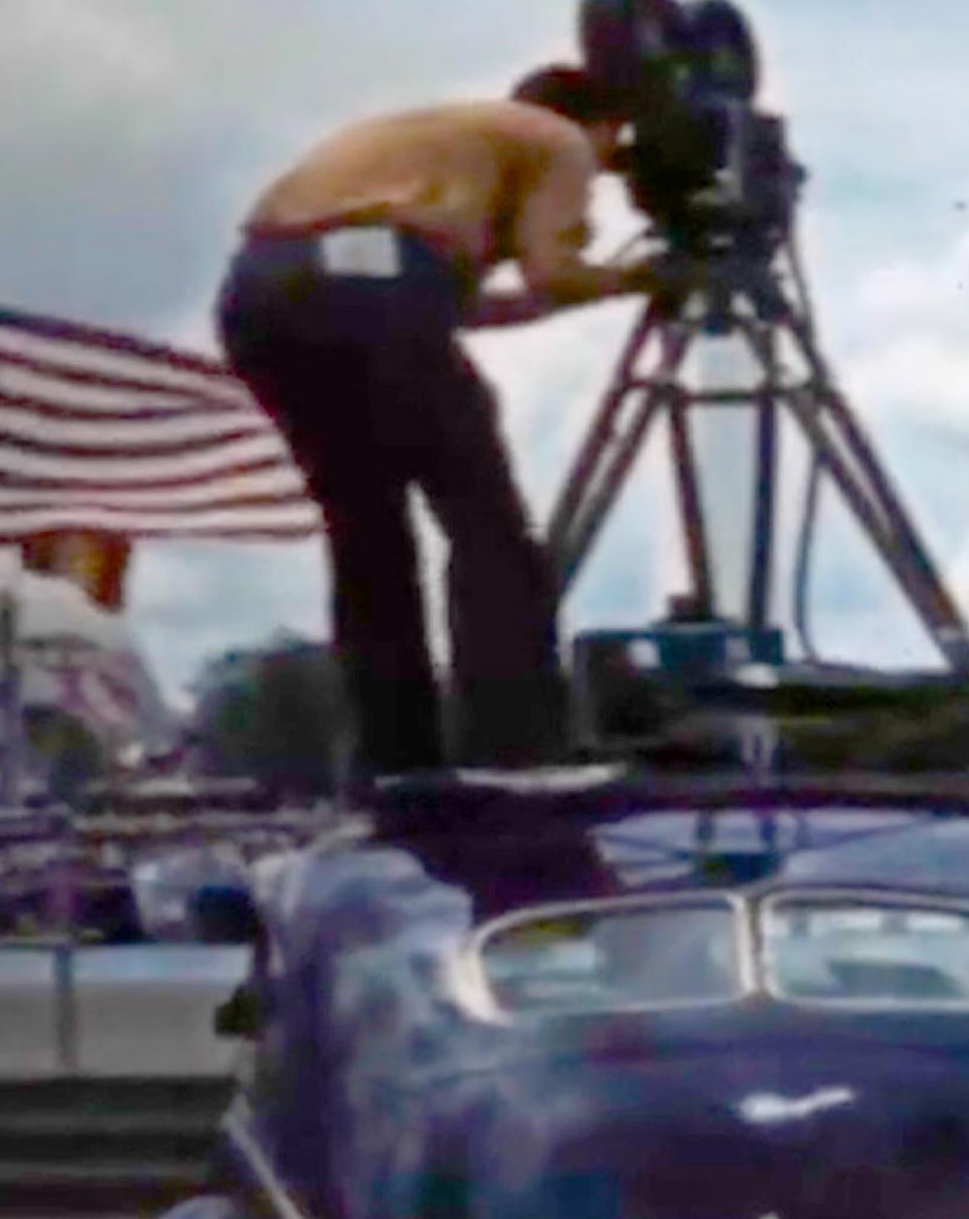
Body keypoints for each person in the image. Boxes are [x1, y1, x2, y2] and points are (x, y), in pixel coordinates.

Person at [214, 71, 660, 787]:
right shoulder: (559, 139)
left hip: (260, 293)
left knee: (369, 536)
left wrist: (582, 291)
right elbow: (552, 270)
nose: (603, 172)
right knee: (488, 526)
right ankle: (518, 751)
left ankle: (394, 758)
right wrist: (642, 279)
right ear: (598, 123)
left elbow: (441, 309)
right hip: (380, 289)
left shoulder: (440, 146)